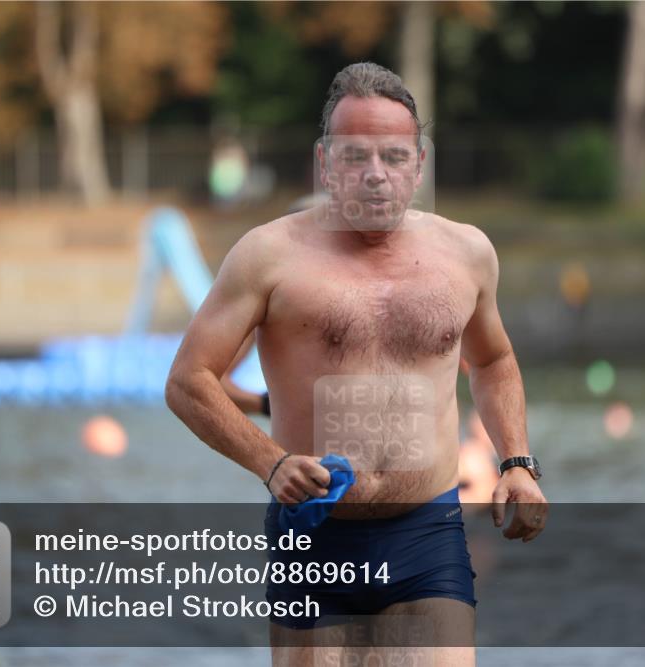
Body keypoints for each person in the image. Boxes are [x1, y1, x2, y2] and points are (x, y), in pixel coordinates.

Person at [166, 61, 548, 667]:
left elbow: (494, 361)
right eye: (354, 157)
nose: (375, 176)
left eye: (394, 158)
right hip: (314, 537)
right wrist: (272, 463)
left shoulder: (466, 253)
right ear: (324, 163)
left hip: (426, 533)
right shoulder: (268, 256)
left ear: (418, 163)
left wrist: (518, 463)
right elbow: (189, 381)